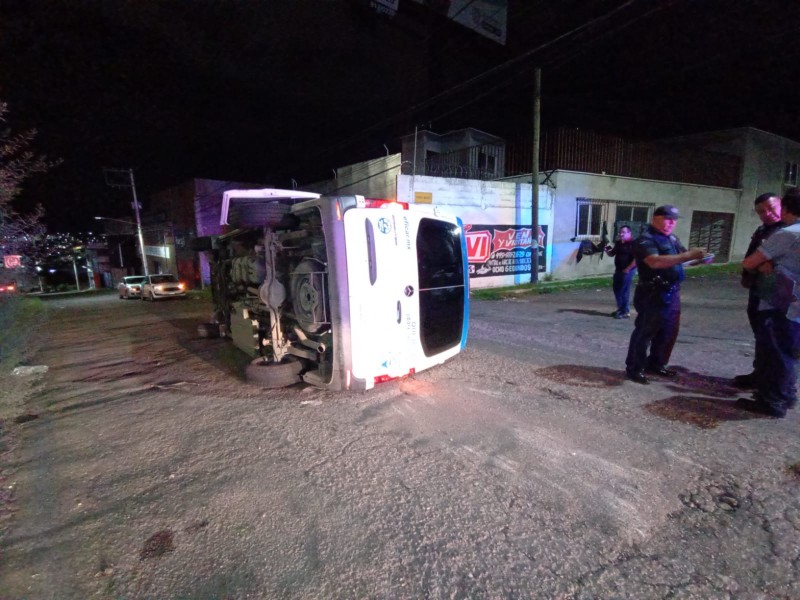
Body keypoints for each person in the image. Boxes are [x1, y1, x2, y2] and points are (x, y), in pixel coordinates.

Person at [624, 205, 706, 384]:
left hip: (672, 292)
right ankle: (635, 368)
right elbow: (654, 262)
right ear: (655, 218)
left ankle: (656, 364)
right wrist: (687, 256)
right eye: (668, 219)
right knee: (645, 332)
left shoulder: (672, 239)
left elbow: (681, 260)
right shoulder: (645, 240)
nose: (671, 223)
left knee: (668, 332)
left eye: (674, 220)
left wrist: (698, 259)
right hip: (652, 293)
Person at [739, 188, 800, 417]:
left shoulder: (787, 234)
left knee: (776, 351)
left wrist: (769, 265)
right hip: (795, 305)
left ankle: (773, 402)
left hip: (780, 301)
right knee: (789, 351)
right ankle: (786, 395)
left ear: (784, 208)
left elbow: (749, 262)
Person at [732, 192, 784, 388]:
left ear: (782, 205)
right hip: (757, 288)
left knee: (774, 337)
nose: (767, 214)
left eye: (771, 208)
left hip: (776, 292)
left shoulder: (787, 231)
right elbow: (751, 255)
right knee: (761, 334)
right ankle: (760, 374)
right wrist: (747, 275)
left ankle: (771, 382)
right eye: (761, 212)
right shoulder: (763, 229)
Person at [604, 225, 636, 319]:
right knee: (617, 289)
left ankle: (625, 311)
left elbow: (636, 259)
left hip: (629, 271)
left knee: (624, 290)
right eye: (620, 232)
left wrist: (628, 269)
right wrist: (607, 250)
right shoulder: (618, 243)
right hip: (618, 270)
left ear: (629, 233)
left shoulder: (633, 244)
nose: (621, 234)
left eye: (623, 232)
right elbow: (612, 253)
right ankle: (620, 309)